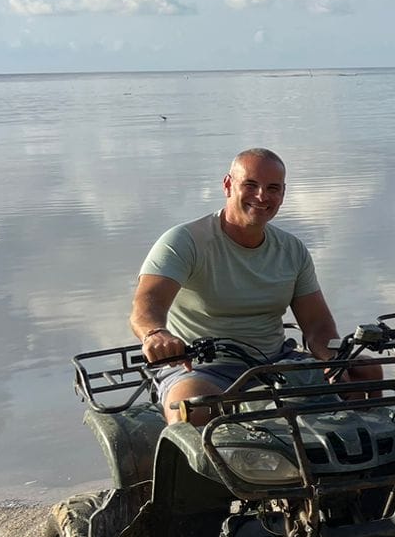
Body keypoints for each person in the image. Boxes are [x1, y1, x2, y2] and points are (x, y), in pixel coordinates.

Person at [130, 148, 380, 425]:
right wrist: (155, 334)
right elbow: (147, 303)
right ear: (228, 185)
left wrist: (334, 359)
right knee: (194, 407)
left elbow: (318, 325)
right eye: (251, 185)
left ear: (282, 194)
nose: (262, 196)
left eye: (273, 188)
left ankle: (366, 461)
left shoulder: (292, 249)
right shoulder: (183, 241)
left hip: (277, 360)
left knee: (364, 373)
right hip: (201, 368)